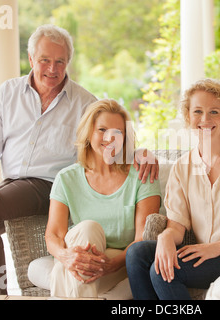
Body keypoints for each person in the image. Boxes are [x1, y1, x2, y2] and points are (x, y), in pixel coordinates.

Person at [0, 25, 156, 295]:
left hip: (49, 186)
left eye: (60, 61)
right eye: (45, 60)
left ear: (68, 63)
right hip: (9, 186)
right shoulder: (7, 93)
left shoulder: (84, 102)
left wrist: (142, 153)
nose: (52, 68)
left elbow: (110, 137)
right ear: (30, 59)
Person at [125, 79, 220, 300]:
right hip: (208, 255)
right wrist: (165, 238)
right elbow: (177, 227)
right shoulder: (183, 167)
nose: (205, 119)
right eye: (198, 111)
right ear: (188, 116)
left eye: (214, 112)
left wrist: (217, 247)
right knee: (136, 254)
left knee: (161, 273)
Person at [45, 99, 161, 298]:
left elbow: (142, 238)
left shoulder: (141, 175)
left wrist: (110, 265)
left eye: (118, 132)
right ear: (89, 133)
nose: (110, 138)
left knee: (60, 274)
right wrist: (66, 257)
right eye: (102, 130)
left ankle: (68, 271)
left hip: (120, 260)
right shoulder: (66, 178)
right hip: (75, 253)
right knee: (88, 229)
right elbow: (54, 235)